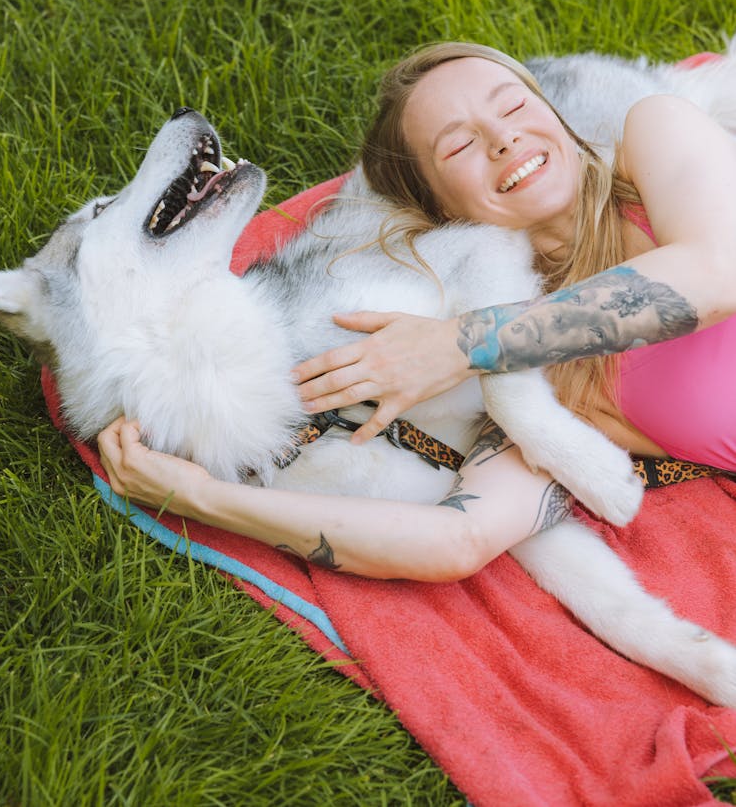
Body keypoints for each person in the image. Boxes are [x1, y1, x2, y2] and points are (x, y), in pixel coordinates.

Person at [98, 42, 736, 582]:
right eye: (458, 147)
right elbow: (455, 541)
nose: (502, 137)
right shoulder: (553, 382)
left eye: (514, 104)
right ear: (437, 207)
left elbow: (714, 273)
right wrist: (200, 496)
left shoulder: (657, 136)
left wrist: (460, 345)